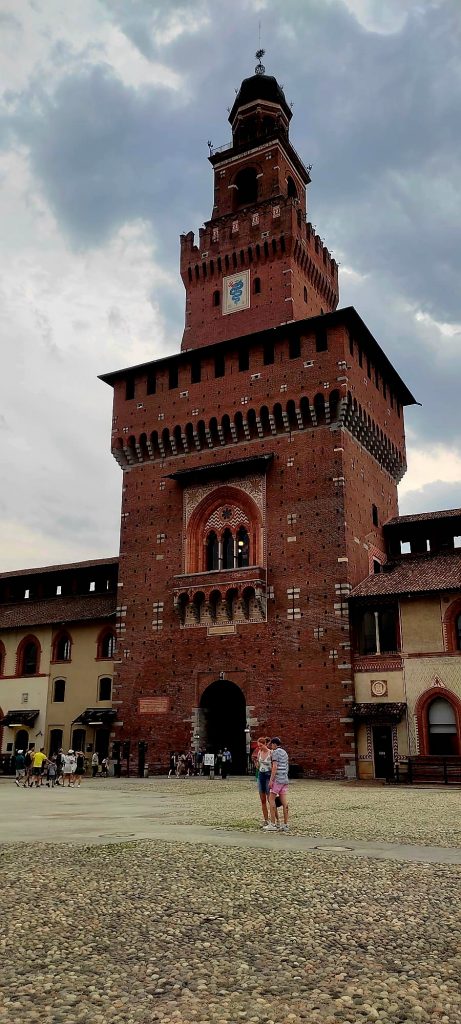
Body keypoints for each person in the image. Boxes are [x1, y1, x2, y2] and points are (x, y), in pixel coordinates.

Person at [263, 737, 289, 832]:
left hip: (277, 779)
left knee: (271, 799)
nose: (271, 746)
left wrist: (271, 780)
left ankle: (273, 823)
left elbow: (274, 767)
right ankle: (286, 824)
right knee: (284, 802)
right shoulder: (284, 753)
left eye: (271, 744)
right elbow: (286, 766)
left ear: (274, 744)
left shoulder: (275, 753)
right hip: (284, 779)